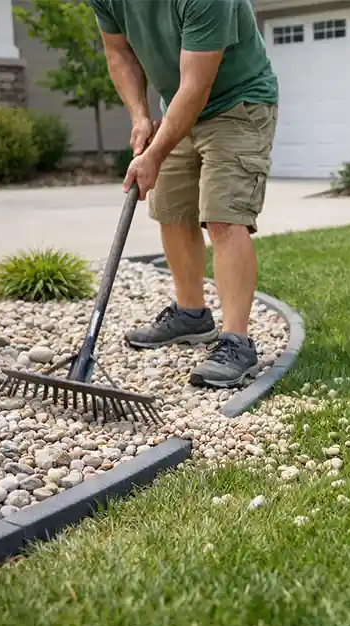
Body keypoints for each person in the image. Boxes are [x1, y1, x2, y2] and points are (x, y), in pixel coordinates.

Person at [85, 0, 278, 389]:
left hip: (238, 103)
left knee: (224, 217)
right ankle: (191, 315)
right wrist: (140, 116)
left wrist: (154, 154)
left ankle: (236, 342)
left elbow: (197, 83)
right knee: (171, 210)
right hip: (176, 105)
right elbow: (118, 51)